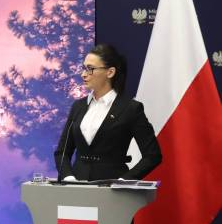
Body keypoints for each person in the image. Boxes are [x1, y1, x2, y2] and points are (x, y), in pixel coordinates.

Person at [54, 44, 161, 181]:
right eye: (84, 68)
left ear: (110, 72)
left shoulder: (131, 108)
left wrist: (123, 181)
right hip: (77, 186)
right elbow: (62, 152)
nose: (83, 74)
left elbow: (152, 155)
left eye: (90, 69)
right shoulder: (78, 106)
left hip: (113, 188)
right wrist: (68, 177)